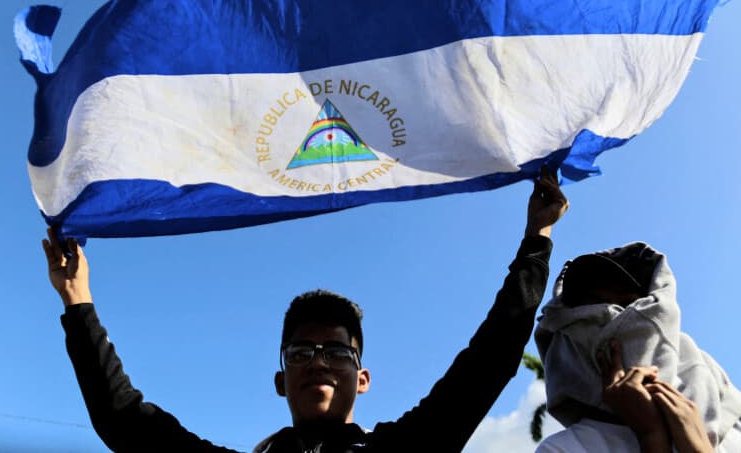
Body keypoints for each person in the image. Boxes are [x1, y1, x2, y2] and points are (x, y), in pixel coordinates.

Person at [43, 168, 569, 453]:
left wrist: (537, 239)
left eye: (336, 352)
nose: (318, 361)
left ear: (362, 378)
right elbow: (125, 422)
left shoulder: (407, 449)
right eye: (301, 353)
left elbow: (489, 361)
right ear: (280, 380)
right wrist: (76, 299)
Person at [534, 243, 741, 453]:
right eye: (593, 304)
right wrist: (652, 437)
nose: (610, 315)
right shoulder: (563, 449)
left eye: (628, 305)